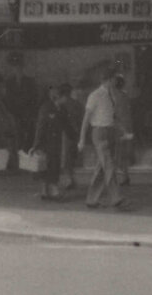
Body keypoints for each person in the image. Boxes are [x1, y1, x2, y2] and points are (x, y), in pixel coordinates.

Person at [78, 69, 127, 210]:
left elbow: (113, 117)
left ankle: (92, 200)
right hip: (99, 133)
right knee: (109, 165)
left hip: (109, 132)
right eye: (114, 79)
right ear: (109, 79)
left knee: (102, 167)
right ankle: (117, 199)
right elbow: (86, 119)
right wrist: (81, 139)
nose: (116, 81)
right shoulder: (95, 95)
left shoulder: (111, 95)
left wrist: (122, 130)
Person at [30, 85, 68, 200]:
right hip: (46, 142)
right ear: (59, 97)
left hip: (56, 142)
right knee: (49, 165)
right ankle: (51, 191)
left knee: (52, 164)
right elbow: (40, 127)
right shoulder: (46, 108)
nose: (66, 99)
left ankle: (46, 191)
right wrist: (36, 145)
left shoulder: (61, 109)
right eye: (65, 97)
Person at [112, 70, 135, 186]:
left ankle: (119, 177)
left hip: (118, 128)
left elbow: (115, 113)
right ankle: (125, 176)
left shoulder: (114, 96)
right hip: (127, 127)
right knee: (124, 154)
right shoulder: (125, 96)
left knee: (117, 154)